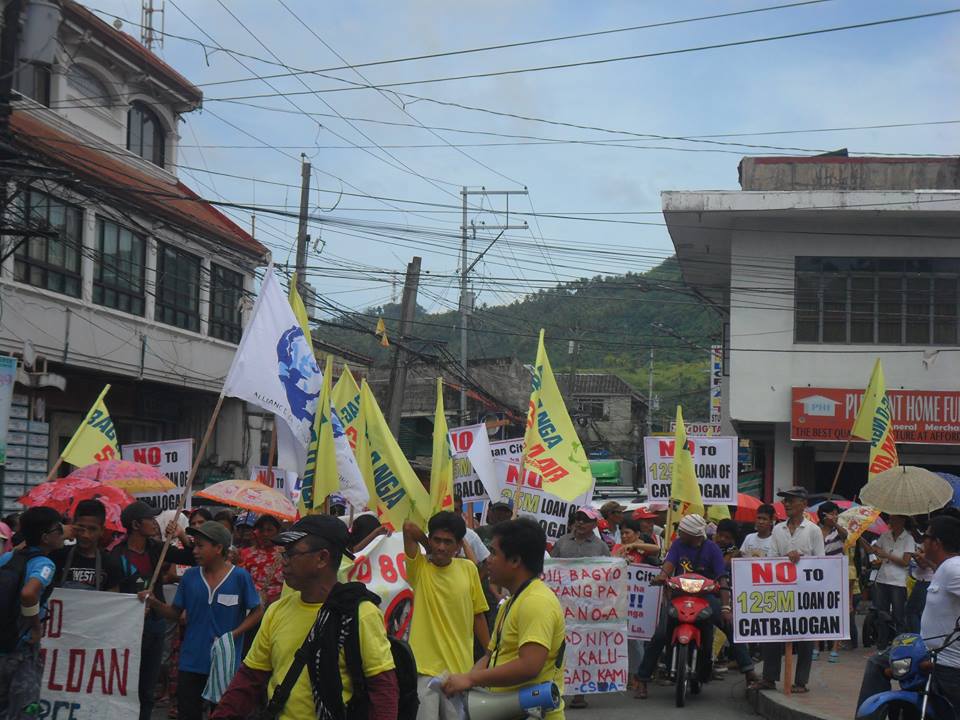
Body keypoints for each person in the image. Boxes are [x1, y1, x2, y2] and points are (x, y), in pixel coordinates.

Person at [212, 515, 398, 720]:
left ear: (322, 558)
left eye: (291, 553)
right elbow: (249, 678)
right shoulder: (276, 611)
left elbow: (383, 690)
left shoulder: (360, 614)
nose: (283, 561)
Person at [442, 518, 566, 720]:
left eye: (493, 553)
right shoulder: (512, 602)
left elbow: (529, 666)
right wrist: (464, 683)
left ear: (515, 561)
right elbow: (490, 655)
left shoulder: (536, 602)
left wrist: (471, 679)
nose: (487, 560)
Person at [143, 521, 262, 720]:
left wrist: (234, 634)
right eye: (194, 545)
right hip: (191, 661)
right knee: (188, 714)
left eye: (200, 546)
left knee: (224, 714)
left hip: (225, 663)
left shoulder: (240, 577)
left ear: (218, 548)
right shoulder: (189, 576)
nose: (194, 551)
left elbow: (257, 611)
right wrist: (154, 603)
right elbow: (174, 612)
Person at [635, 513, 757, 699]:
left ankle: (749, 672)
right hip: (678, 595)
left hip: (706, 597)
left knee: (730, 627)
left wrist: (726, 607)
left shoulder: (713, 550)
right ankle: (642, 679)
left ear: (694, 535)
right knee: (659, 635)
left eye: (683, 532)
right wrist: (662, 576)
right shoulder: (678, 544)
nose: (679, 534)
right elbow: (669, 564)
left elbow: (722, 578)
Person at [857, 515, 960, 713]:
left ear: (936, 543)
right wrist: (930, 565)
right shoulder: (944, 568)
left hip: (943, 660)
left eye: (926, 538)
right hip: (925, 650)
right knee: (878, 663)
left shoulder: (953, 568)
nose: (921, 542)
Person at [112, 501, 197, 720]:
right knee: (125, 683)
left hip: (155, 625)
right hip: (127, 627)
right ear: (136, 524)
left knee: (147, 688)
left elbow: (191, 558)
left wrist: (181, 536)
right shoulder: (116, 555)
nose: (154, 523)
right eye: (150, 519)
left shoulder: (157, 548)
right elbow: (111, 594)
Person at [403, 512, 490, 719]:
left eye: (448, 542)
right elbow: (408, 527)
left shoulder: (469, 569)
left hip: (460, 670)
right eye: (437, 540)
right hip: (425, 671)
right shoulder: (419, 567)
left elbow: (478, 616)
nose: (441, 547)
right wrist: (428, 547)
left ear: (459, 545)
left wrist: (489, 654)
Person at [750, 487, 825, 693]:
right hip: (781, 590)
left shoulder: (813, 530)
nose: (787, 504)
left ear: (803, 503)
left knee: (805, 637)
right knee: (773, 632)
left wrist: (801, 557)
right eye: (785, 501)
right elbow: (772, 559)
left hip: (806, 591)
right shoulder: (778, 530)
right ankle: (769, 677)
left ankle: (801, 681)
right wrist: (786, 559)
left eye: (791, 500)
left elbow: (821, 563)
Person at [0, 507, 63, 717]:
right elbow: (29, 594)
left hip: (2, 645)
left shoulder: (7, 558)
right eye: (59, 529)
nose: (62, 534)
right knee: (25, 710)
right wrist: (36, 627)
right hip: (21, 648)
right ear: (45, 537)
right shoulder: (44, 564)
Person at [549, 506, 608, 709]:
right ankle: (557, 687)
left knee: (584, 649)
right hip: (563, 605)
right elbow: (551, 569)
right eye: (578, 519)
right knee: (561, 647)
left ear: (594, 524)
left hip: (588, 608)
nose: (580, 523)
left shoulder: (601, 547)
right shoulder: (562, 543)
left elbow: (608, 575)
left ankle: (579, 692)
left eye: (585, 520)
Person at [50, 499, 124, 591]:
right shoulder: (56, 556)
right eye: (81, 527)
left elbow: (113, 601)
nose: (85, 535)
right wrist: (59, 534)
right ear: (73, 526)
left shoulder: (111, 564)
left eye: (92, 529)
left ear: (102, 531)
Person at [869, 514, 916, 644]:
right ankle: (882, 643)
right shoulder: (885, 535)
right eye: (890, 519)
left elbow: (906, 561)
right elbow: (874, 549)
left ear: (902, 521)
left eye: (894, 519)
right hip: (883, 579)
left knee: (898, 615)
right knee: (882, 614)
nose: (891, 522)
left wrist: (887, 555)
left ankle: (899, 643)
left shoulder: (908, 538)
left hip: (898, 581)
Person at [815, 501, 847, 661]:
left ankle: (835, 648)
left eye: (836, 513)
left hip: (836, 576)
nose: (835, 516)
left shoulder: (839, 531)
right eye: (832, 513)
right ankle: (816, 647)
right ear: (823, 514)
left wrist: (835, 522)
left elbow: (845, 536)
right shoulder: (814, 530)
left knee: (836, 612)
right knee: (818, 610)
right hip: (818, 575)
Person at [239, 515, 285, 606]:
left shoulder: (286, 553)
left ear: (278, 532)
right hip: (252, 605)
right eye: (261, 530)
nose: (265, 534)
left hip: (279, 605)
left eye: (269, 530)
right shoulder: (246, 554)